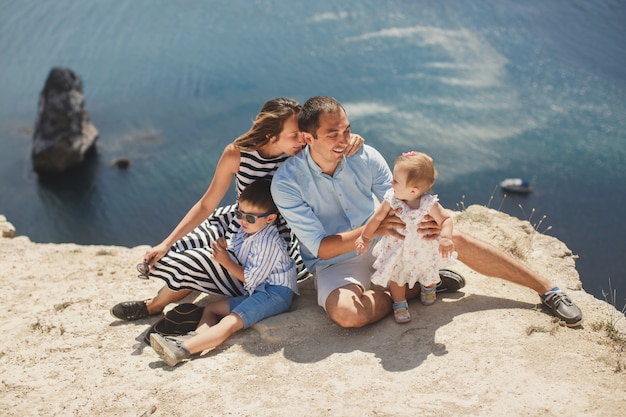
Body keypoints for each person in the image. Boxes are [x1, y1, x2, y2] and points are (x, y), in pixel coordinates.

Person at [271, 95, 583, 328]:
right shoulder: (287, 182)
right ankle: (416, 288)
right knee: (347, 315)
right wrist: (373, 229)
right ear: (308, 138)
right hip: (336, 263)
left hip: (388, 241)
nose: (344, 140)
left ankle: (547, 290)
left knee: (452, 235)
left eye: (346, 130)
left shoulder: (364, 155)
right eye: (332, 134)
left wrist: (432, 224)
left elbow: (401, 200)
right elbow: (321, 248)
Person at [110, 98, 364, 322]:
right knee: (172, 251)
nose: (302, 140)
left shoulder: (301, 154)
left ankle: (154, 306)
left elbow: (333, 146)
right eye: (294, 135)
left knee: (198, 261)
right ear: (270, 135)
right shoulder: (237, 154)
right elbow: (207, 204)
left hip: (273, 239)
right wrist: (165, 242)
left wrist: (352, 139)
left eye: (303, 134)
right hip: (237, 222)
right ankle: (178, 290)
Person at [150, 180, 299, 366]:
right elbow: (234, 244)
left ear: (270, 219)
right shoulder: (248, 230)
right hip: (259, 291)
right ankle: (195, 340)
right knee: (211, 309)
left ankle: (182, 351)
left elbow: (250, 279)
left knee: (231, 321)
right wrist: (223, 245)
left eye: (250, 218)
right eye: (239, 214)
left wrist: (226, 262)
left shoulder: (268, 242)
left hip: (274, 293)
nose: (243, 221)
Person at [355, 151, 456, 323]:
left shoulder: (429, 204)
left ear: (413, 190)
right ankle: (400, 303)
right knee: (397, 277)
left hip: (423, 248)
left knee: (428, 271)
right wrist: (364, 237)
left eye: (396, 180)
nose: (390, 182)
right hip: (397, 251)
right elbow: (376, 219)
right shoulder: (392, 199)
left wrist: (446, 237)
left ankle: (429, 289)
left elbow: (446, 219)